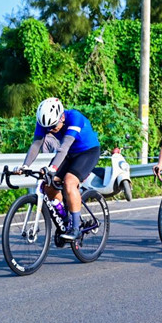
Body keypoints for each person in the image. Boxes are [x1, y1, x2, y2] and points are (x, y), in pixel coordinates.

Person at [14, 98, 101, 240]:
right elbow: (36, 145)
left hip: (88, 151)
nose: (50, 130)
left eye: (53, 126)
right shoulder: (45, 122)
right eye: (46, 128)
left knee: (69, 182)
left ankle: (76, 228)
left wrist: (53, 168)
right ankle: (65, 221)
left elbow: (64, 146)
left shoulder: (75, 118)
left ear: (61, 117)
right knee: (48, 184)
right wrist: (25, 166)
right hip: (68, 154)